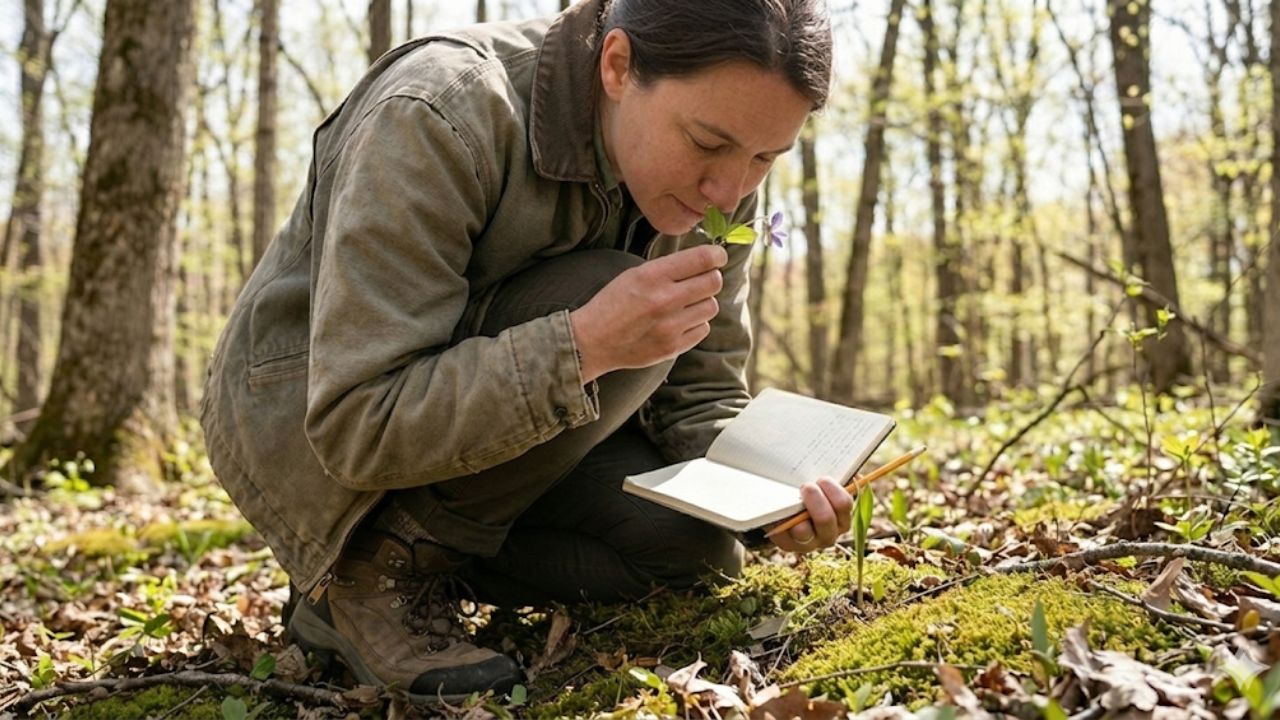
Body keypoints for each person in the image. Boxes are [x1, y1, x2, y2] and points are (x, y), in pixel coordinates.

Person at [200, 0, 844, 703]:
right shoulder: (440, 112)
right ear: (618, 65)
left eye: (765, 157)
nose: (731, 188)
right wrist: (584, 345)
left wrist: (773, 496)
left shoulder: (724, 175)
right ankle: (369, 571)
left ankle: (416, 568)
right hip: (307, 425)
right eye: (706, 143)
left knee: (695, 552)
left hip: (506, 430)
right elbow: (357, 421)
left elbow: (702, 389)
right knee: (603, 292)